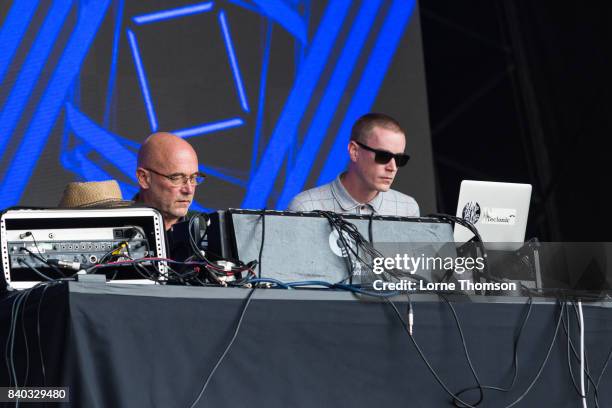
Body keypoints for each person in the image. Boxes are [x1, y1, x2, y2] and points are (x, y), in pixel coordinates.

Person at [287, 113, 419, 216]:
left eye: (400, 159)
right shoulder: (306, 207)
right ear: (354, 151)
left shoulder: (407, 208)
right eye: (383, 156)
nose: (393, 167)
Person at [135, 132, 205, 230]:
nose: (189, 190)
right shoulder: (114, 226)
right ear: (143, 178)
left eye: (193, 178)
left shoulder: (206, 228)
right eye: (176, 178)